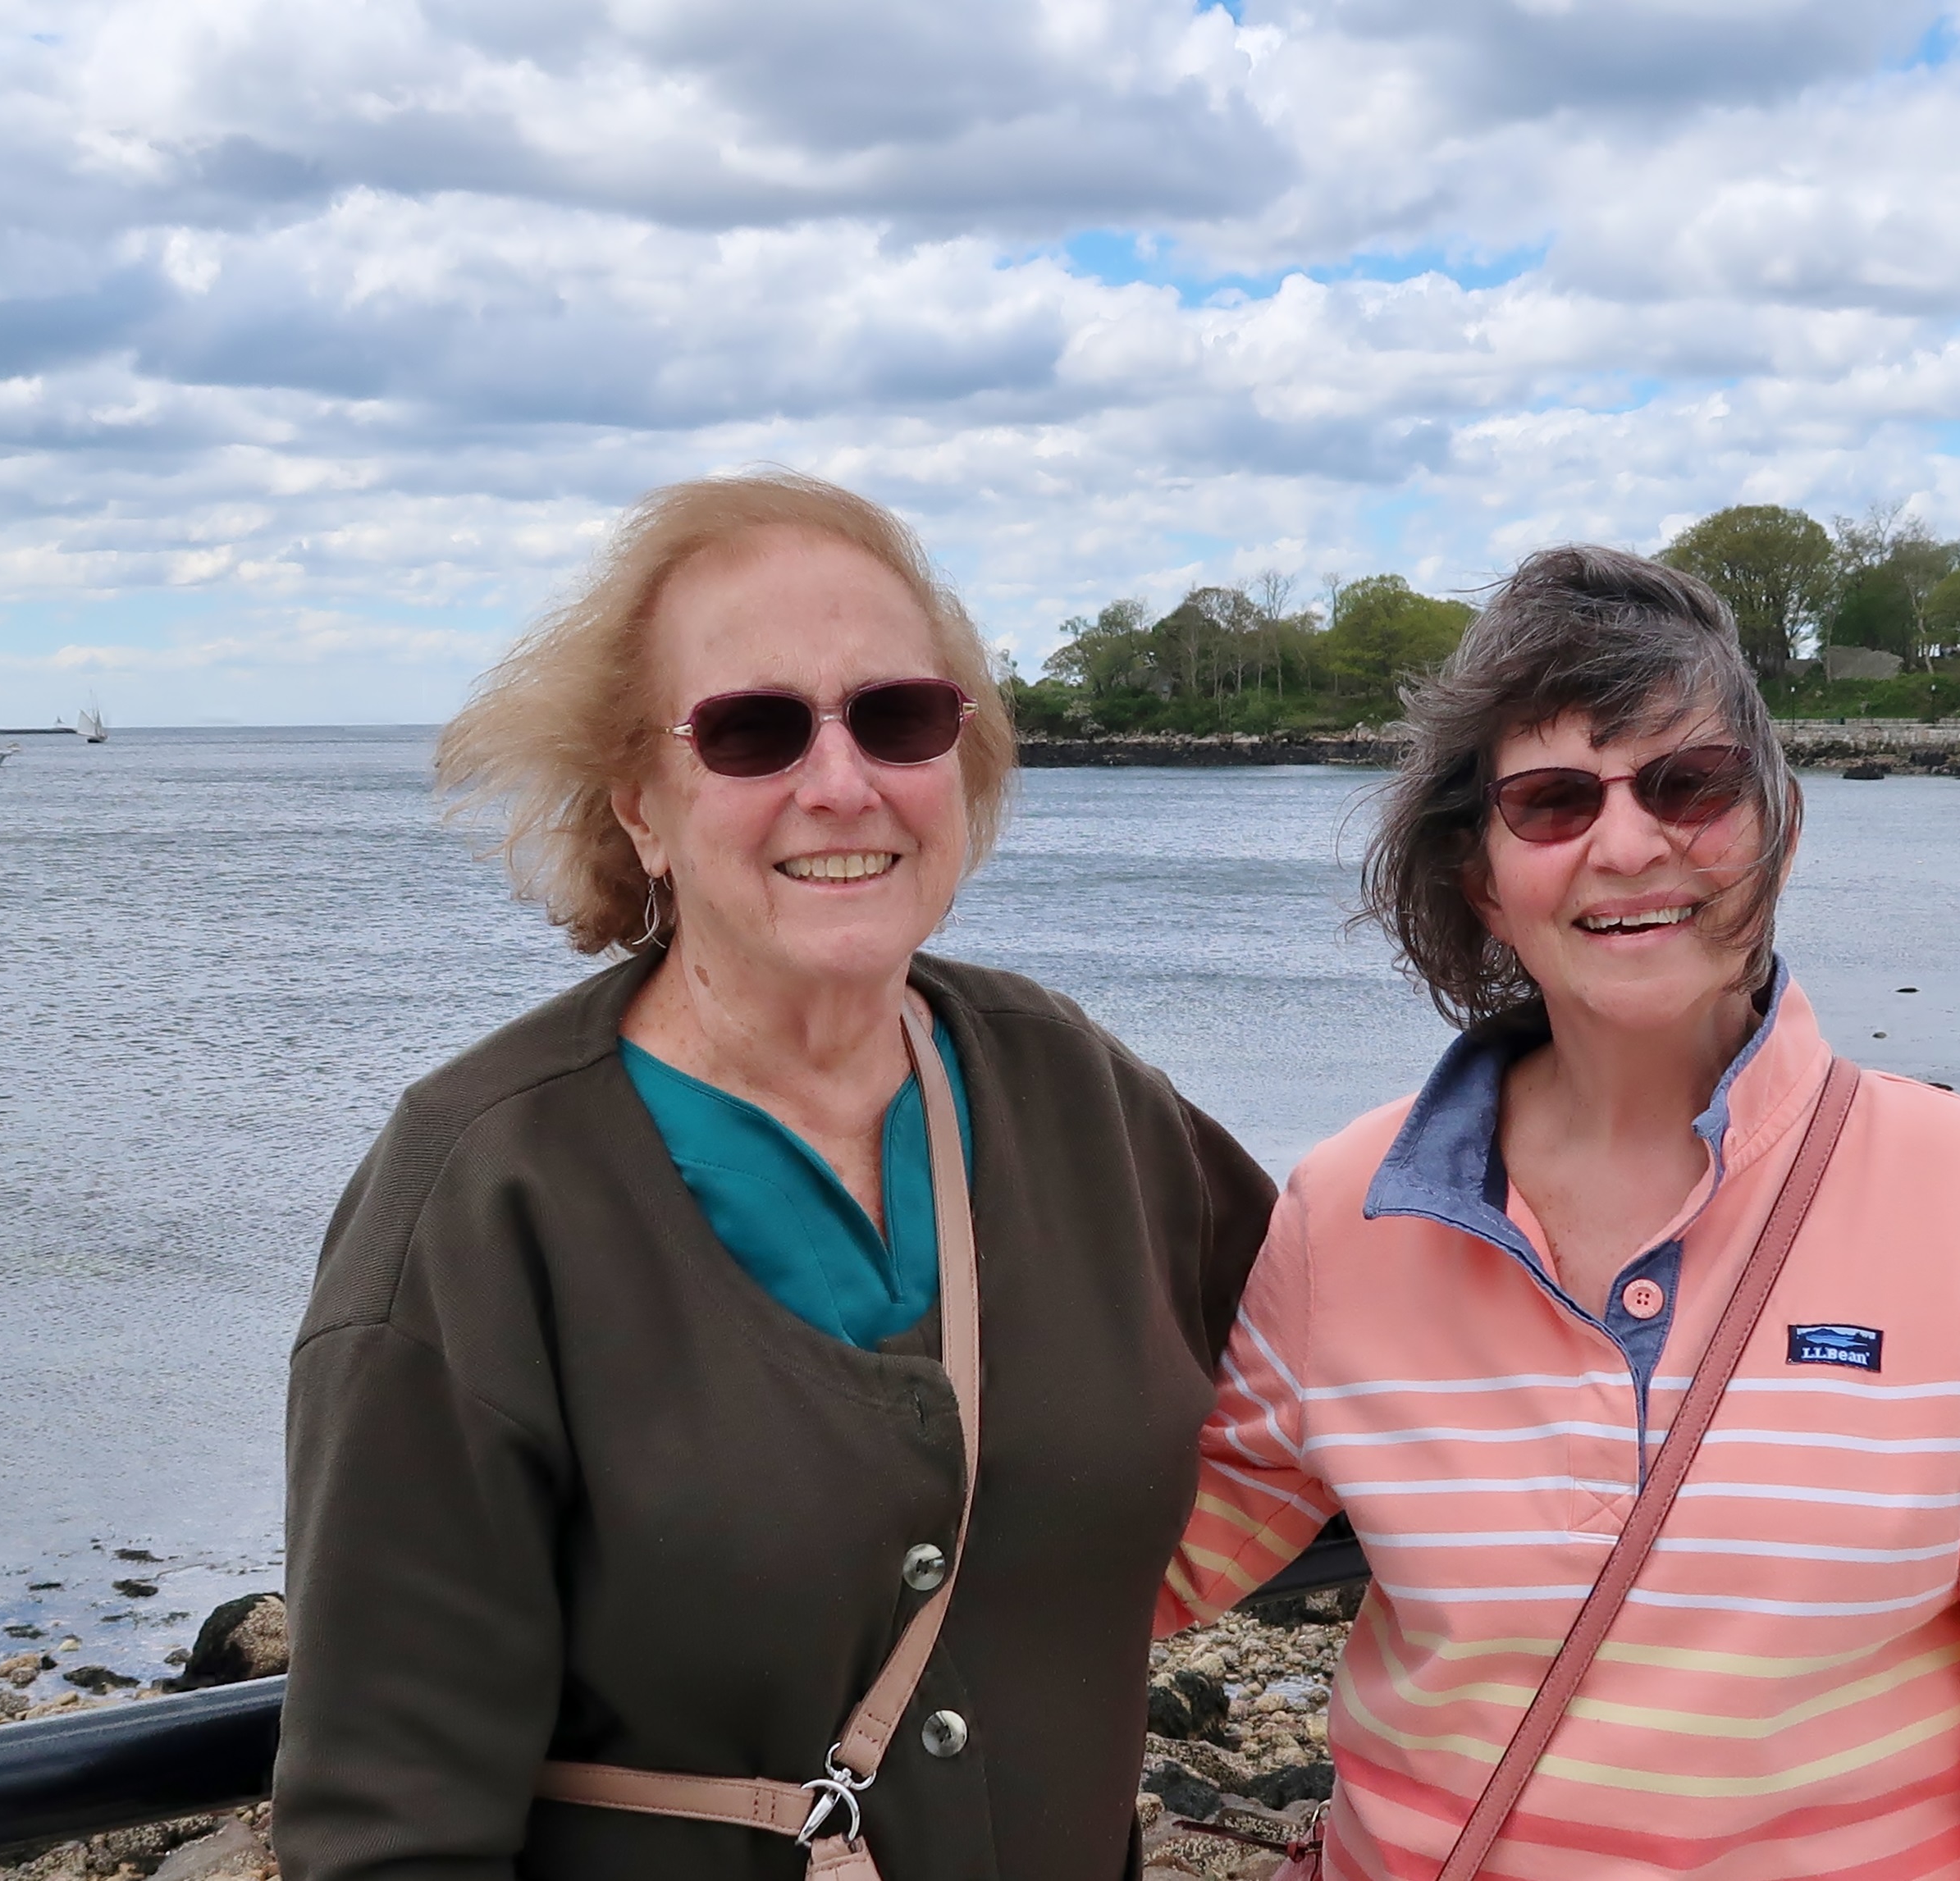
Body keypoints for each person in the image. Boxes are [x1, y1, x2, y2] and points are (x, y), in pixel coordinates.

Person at [278, 470, 1274, 1881]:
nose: (840, 782)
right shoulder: (483, 1197)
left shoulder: (1079, 1096)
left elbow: (1360, 1343)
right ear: (640, 805)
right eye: (754, 730)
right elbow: (390, 1831)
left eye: (898, 716)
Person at [1154, 546, 1960, 1880]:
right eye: (1553, 801)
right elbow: (1151, 1560)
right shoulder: (1347, 1210)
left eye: (1690, 784)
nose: (1629, 844)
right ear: (1481, 878)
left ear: (1777, 828)